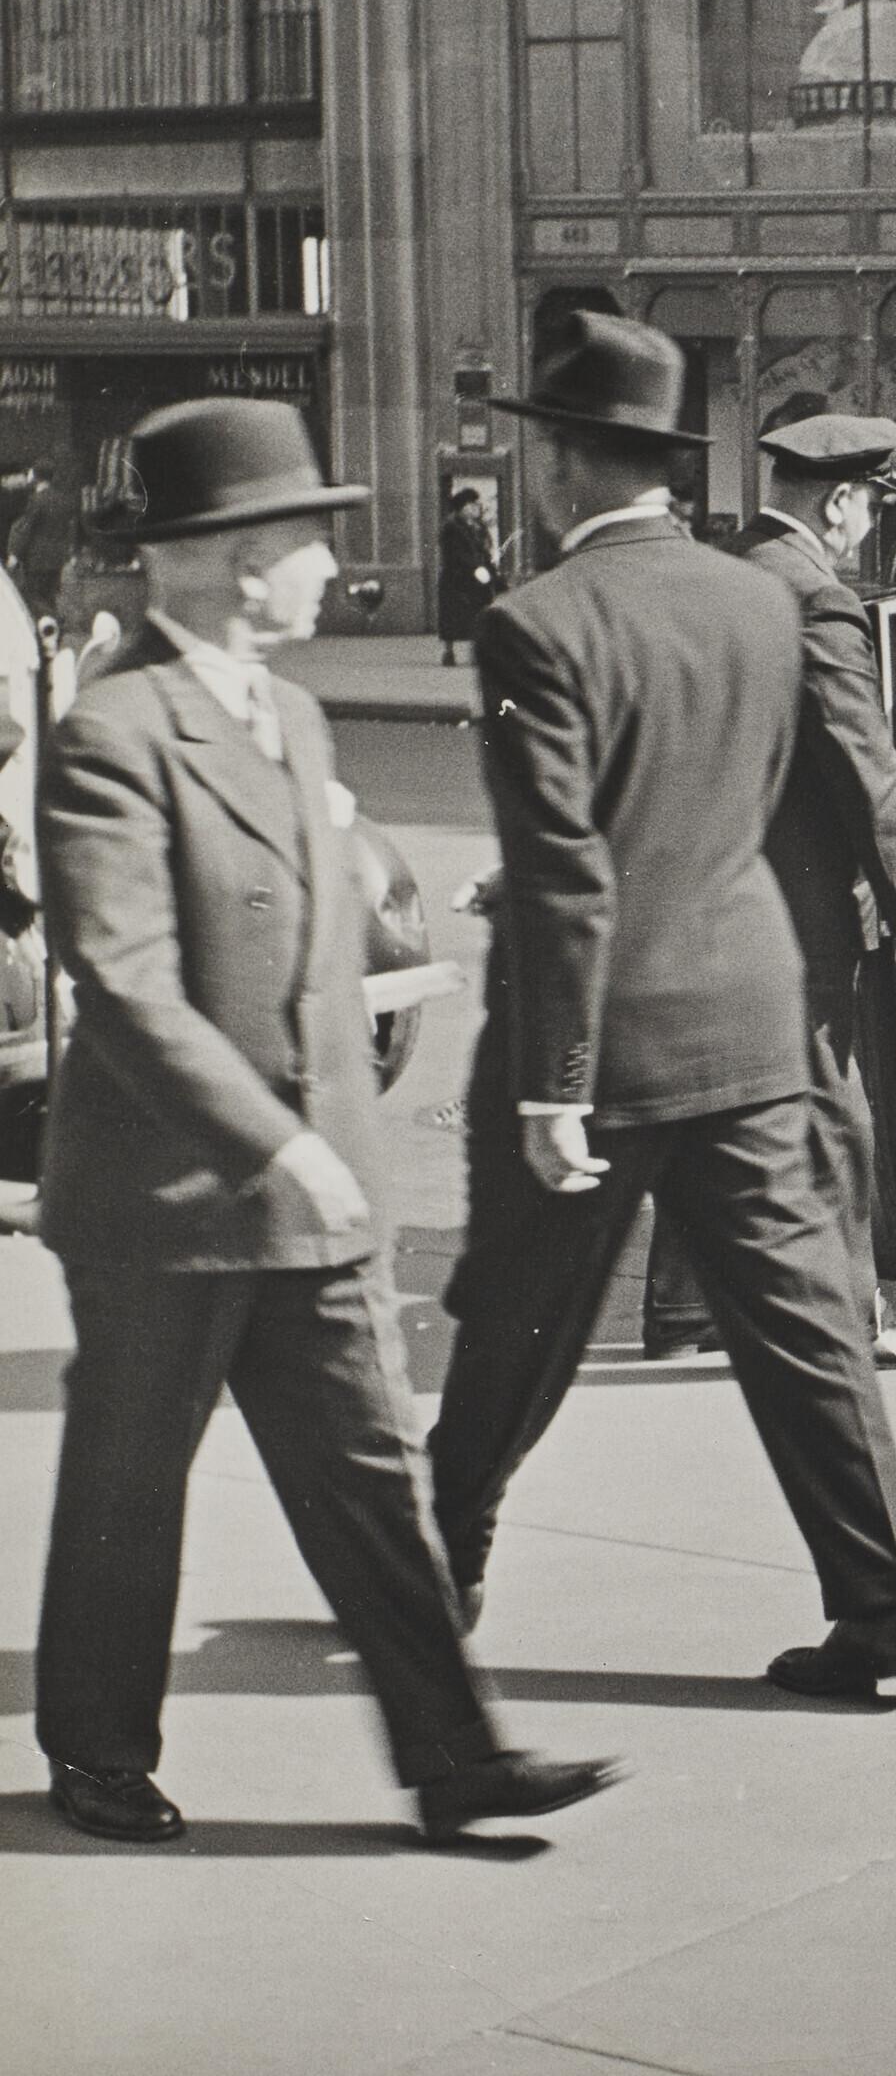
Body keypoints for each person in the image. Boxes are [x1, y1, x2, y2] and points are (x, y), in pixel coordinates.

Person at [29, 399, 619, 1845]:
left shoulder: (288, 713)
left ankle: (456, 1751)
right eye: (303, 536)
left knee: (370, 1480)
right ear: (230, 557)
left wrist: (333, 1138)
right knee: (128, 1487)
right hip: (170, 1200)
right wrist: (274, 1139)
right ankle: (96, 1748)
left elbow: (313, 948)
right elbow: (124, 983)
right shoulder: (113, 732)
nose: (328, 567)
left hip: (316, 1192)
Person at [428, 315, 896, 1701]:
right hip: (754, 1021)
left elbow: (569, 867)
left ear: (562, 467)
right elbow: (737, 805)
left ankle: (439, 1565)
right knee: (808, 1327)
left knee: (519, 1323)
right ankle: (886, 1604)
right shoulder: (760, 601)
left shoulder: (536, 623)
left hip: (604, 1046)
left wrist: (551, 1079)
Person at [640, 413, 896, 1371]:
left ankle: (682, 1313)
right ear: (841, 501)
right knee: (836, 1121)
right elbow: (870, 777)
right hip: (797, 915)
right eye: (868, 508)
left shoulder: (715, 577)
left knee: (716, 1110)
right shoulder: (819, 601)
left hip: (703, 900)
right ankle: (853, 1324)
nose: (866, 529)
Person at [436, 486, 501, 668]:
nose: (475, 508)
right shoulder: (452, 527)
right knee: (455, 617)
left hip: (475, 578)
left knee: (477, 616)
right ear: (461, 508)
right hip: (457, 578)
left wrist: (489, 569)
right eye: (470, 505)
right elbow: (457, 553)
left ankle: (475, 652)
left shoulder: (477, 527)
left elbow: (484, 551)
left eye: (475, 505)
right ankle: (449, 652)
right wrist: (475, 567)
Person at [8, 459, 75, 622]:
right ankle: (52, 630)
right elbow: (71, 527)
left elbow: (26, 529)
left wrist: (15, 554)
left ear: (37, 477)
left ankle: (56, 620)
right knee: (49, 595)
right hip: (58, 557)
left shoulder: (36, 500)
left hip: (37, 558)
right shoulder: (63, 499)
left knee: (33, 596)